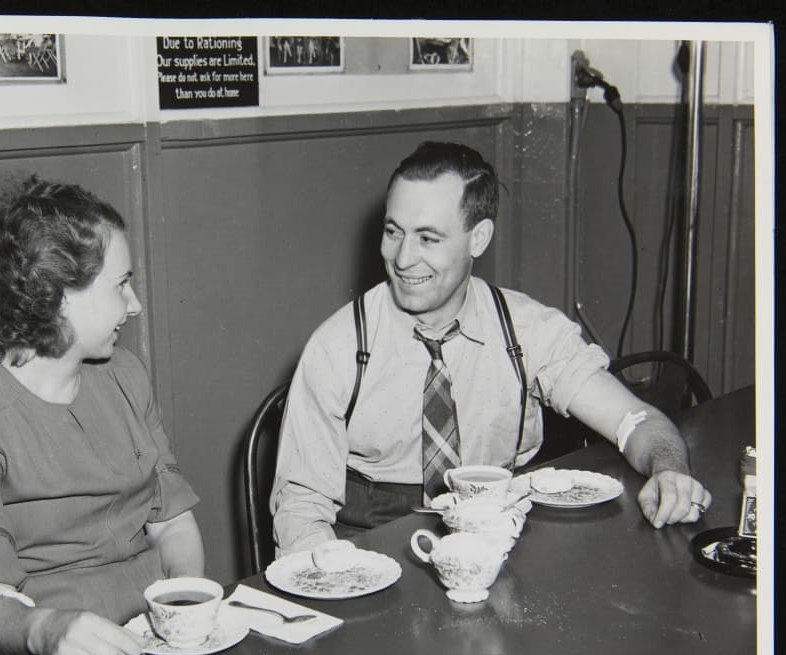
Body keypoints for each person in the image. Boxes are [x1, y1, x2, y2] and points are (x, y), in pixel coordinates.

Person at [271, 141, 712, 555]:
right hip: (374, 545)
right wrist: (340, 579)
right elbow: (301, 510)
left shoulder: (526, 329)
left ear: (478, 239)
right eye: (394, 232)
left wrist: (669, 470)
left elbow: (634, 421)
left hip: (500, 541)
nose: (403, 259)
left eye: (428, 238)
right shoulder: (338, 346)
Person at [0, 177, 205, 655]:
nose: (135, 304)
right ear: (59, 297)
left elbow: (172, 523)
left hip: (157, 638)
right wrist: (47, 631)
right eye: (121, 285)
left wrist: (184, 610)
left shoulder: (125, 376)